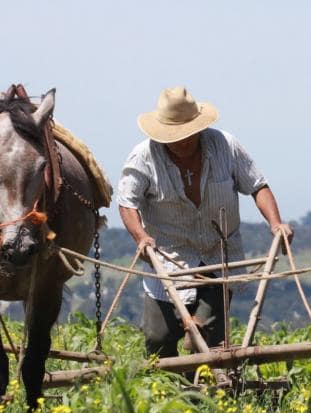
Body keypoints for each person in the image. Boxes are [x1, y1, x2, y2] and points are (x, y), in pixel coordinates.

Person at [116, 86, 293, 358]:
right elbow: (128, 202)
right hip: (167, 258)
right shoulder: (144, 156)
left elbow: (258, 186)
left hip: (218, 256)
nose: (183, 141)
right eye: (175, 136)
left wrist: (276, 223)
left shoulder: (225, 146)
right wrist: (141, 237)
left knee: (209, 335)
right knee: (157, 339)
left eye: (188, 134)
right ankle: (175, 392)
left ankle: (207, 389)